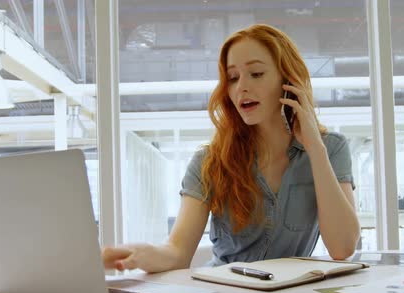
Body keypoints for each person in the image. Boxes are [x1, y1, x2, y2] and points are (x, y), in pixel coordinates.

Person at [103, 24, 360, 272]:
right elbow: (177, 253)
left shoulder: (330, 149)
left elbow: (343, 248)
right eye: (233, 77)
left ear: (288, 80)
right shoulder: (210, 161)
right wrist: (140, 254)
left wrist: (314, 148)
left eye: (256, 74)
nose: (241, 87)